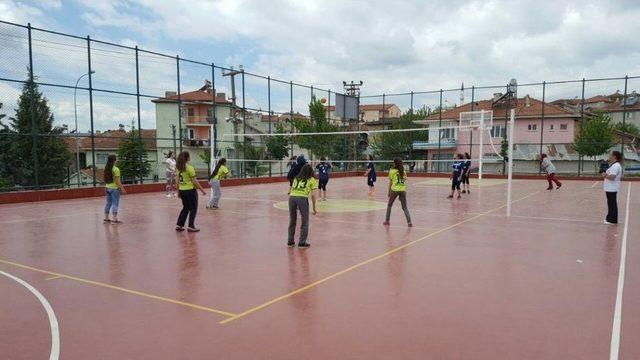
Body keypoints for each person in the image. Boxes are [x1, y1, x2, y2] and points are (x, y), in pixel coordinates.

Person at [288, 163, 318, 248]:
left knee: (292, 220)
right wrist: (314, 208)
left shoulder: (296, 178)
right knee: (305, 221)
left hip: (292, 197)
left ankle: (290, 241)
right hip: (302, 198)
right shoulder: (312, 179)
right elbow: (313, 195)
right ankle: (302, 242)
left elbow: (292, 189)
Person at [175, 151, 206, 232]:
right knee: (193, 208)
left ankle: (179, 225)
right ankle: (191, 226)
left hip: (182, 190)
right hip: (190, 191)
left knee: (185, 208)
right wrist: (202, 190)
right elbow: (195, 181)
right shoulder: (189, 168)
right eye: (189, 156)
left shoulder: (178, 168)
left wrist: (178, 192)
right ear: (187, 158)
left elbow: (177, 181)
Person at [383, 158, 412, 227]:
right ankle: (409, 222)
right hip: (403, 190)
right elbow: (404, 180)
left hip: (394, 190)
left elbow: (390, 182)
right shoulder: (403, 171)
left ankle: (387, 221)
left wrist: (389, 192)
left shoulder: (392, 171)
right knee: (405, 207)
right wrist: (400, 194)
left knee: (389, 205)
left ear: (395, 163)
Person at [103, 155, 126, 224]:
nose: (117, 160)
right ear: (114, 161)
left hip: (107, 187)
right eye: (116, 159)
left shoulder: (106, 168)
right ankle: (114, 219)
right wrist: (122, 189)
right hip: (114, 189)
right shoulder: (116, 169)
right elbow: (117, 181)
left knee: (108, 203)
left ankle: (106, 219)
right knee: (115, 203)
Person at [603, 150, 623, 225]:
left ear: (614, 156)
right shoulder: (614, 165)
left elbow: (612, 177)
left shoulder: (615, 166)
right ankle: (610, 218)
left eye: (610, 155)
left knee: (612, 203)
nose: (609, 157)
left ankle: (612, 220)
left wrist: (605, 175)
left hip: (612, 188)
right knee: (611, 203)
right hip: (610, 188)